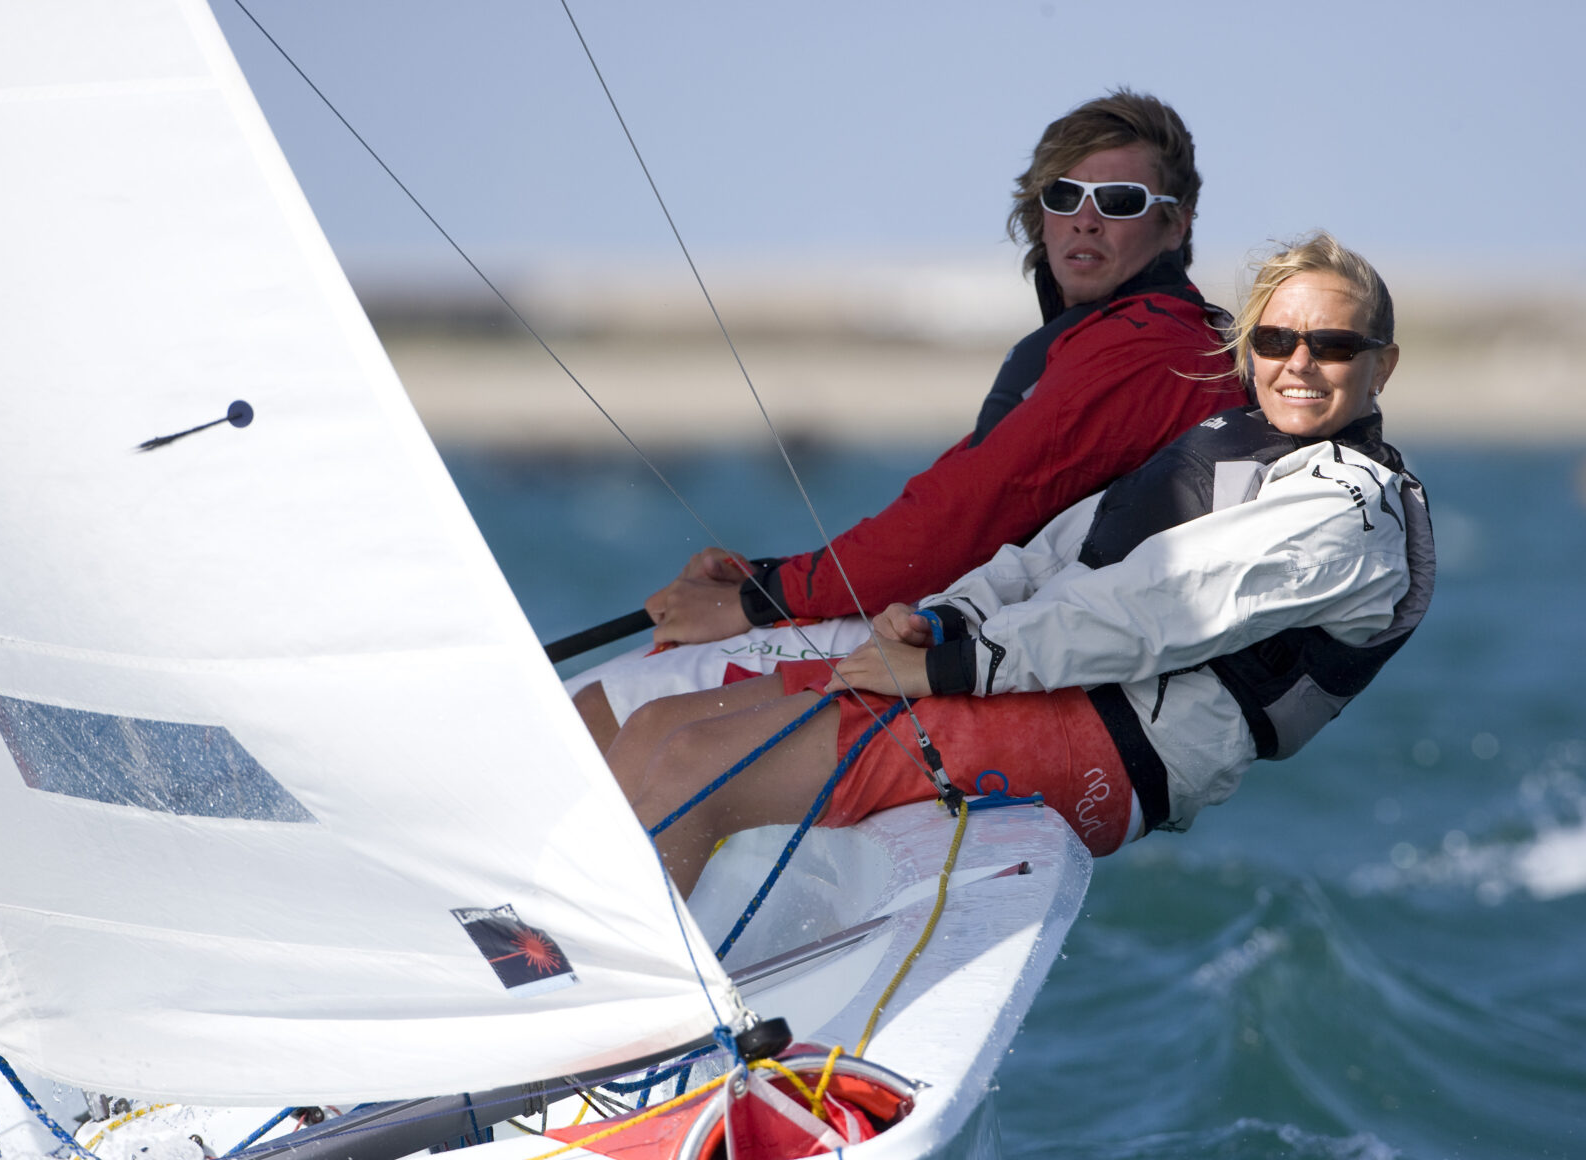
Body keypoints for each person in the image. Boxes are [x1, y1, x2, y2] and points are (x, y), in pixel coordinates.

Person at [607, 232, 1434, 896]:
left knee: (691, 771)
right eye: (1277, 338)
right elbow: (1057, 551)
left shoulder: (1350, 511)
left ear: (1381, 364)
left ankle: (616, 1030)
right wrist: (946, 618)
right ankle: (555, 964)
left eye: (1329, 345)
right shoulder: (1230, 444)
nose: (1298, 363)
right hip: (1034, 675)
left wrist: (953, 663)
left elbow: (1152, 610)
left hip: (1117, 741)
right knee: (660, 728)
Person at [569, 89, 1244, 750]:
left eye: (1119, 202)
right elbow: (969, 486)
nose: (1085, 220)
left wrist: (760, 599)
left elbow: (961, 520)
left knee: (600, 710)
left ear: (1176, 224)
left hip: (1041, 671)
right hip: (1015, 641)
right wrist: (769, 576)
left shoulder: (1147, 350)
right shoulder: (1122, 337)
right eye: (1063, 196)